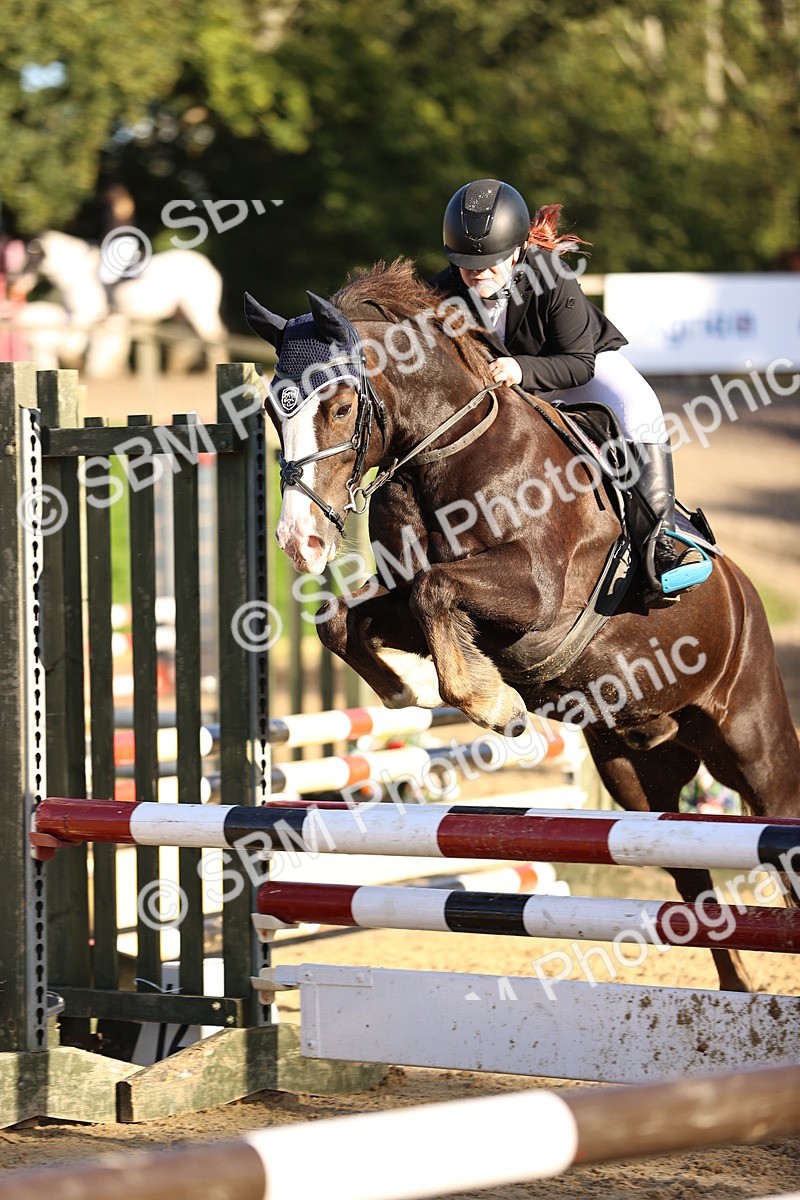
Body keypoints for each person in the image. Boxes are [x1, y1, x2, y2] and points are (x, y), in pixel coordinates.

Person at [428, 178, 708, 606]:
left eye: (491, 260)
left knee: (640, 407)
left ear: (518, 251)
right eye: (466, 261)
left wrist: (521, 368)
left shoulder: (550, 276)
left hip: (583, 366)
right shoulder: (444, 293)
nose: (477, 271)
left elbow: (579, 363)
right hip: (512, 382)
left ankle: (661, 544)